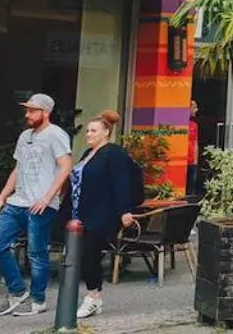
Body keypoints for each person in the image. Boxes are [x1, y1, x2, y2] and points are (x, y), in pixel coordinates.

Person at [0, 93, 73, 318]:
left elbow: (66, 167)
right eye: (27, 110)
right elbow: (18, 168)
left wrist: (48, 198)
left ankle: (38, 299)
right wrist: (1, 197)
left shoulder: (56, 135)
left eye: (32, 110)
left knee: (37, 253)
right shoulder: (25, 136)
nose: (28, 114)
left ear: (46, 113)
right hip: (17, 201)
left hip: (40, 204)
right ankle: (17, 292)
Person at [69, 111, 144, 320]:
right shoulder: (88, 153)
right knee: (83, 254)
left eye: (93, 131)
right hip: (82, 211)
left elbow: (120, 181)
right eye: (87, 131)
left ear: (105, 132)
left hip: (101, 212)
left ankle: (93, 297)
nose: (88, 134)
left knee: (90, 253)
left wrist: (125, 210)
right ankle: (93, 296)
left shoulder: (113, 153)